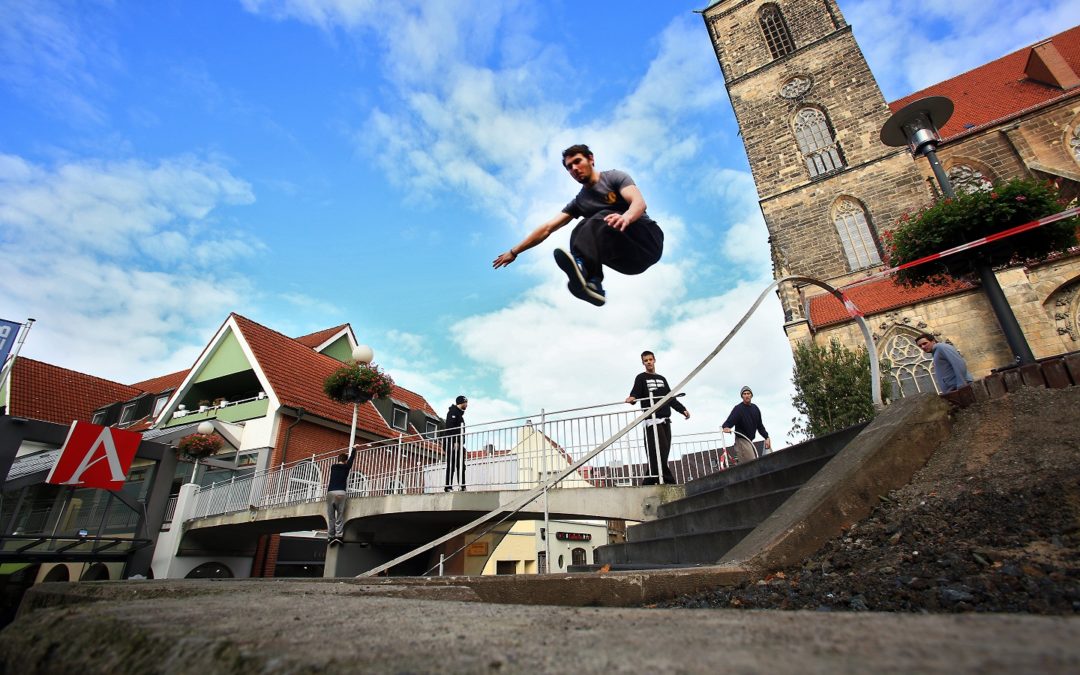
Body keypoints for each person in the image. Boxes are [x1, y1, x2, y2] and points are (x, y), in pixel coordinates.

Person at [492, 144, 665, 307]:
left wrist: (626, 217)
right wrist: (514, 251)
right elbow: (548, 228)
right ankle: (592, 285)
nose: (574, 168)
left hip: (648, 241)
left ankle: (585, 269)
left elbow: (638, 203)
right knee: (581, 228)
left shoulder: (614, 177)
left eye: (577, 162)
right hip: (629, 262)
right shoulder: (579, 202)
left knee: (600, 218)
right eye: (569, 167)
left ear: (591, 159)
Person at [626, 351, 690, 485]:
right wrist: (632, 399)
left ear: (654, 360)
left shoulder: (662, 378)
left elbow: (670, 397)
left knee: (664, 451)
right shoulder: (641, 378)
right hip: (652, 420)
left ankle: (649, 480)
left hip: (665, 419)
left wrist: (682, 409)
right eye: (646, 360)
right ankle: (668, 480)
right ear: (643, 363)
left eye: (650, 359)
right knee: (657, 450)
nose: (648, 362)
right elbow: (636, 393)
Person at [722, 386, 771, 465]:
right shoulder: (738, 409)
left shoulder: (755, 409)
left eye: (748, 393)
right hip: (741, 440)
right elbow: (729, 421)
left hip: (749, 441)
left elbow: (760, 426)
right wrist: (726, 427)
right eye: (744, 394)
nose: (746, 395)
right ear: (742, 396)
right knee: (752, 463)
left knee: (751, 463)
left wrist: (766, 437)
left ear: (751, 395)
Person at [326, 444, 356, 546]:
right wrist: (354, 449)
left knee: (331, 516)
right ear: (345, 461)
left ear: (338, 459)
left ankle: (330, 536)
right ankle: (339, 535)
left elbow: (344, 461)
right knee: (339, 514)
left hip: (330, 493)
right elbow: (351, 459)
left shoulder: (333, 467)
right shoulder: (346, 467)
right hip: (341, 493)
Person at [443, 395, 468, 492]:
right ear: (461, 402)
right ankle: (448, 487)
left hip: (458, 445)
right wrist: (455, 442)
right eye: (465, 403)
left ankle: (462, 486)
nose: (467, 405)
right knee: (452, 465)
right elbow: (450, 428)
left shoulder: (459, 414)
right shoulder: (452, 412)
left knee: (461, 465)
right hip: (452, 444)